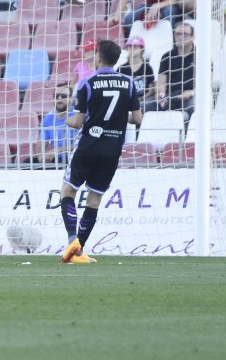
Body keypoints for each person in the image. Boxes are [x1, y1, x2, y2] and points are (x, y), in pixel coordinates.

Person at [59, 39, 143, 265]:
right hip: (112, 149)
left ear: (99, 57)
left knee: (68, 192)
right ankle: (78, 253)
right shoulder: (129, 83)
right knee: (94, 199)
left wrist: (64, 119)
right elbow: (137, 119)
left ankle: (72, 241)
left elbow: (77, 122)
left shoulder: (87, 83)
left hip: (88, 145)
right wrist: (117, 119)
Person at [32, 85, 75, 164]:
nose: (59, 99)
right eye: (56, 96)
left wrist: (58, 150)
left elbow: (81, 144)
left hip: (73, 159)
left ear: (71, 99)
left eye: (63, 96)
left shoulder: (77, 116)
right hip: (56, 159)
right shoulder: (48, 118)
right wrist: (41, 157)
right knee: (29, 162)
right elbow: (41, 144)